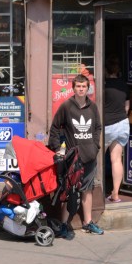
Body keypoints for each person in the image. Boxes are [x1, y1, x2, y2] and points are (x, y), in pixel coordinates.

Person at [48, 74, 104, 239]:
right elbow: (55, 128)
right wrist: (58, 149)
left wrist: (95, 147)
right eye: (78, 86)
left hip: (90, 156)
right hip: (72, 157)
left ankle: (88, 222)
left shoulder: (93, 107)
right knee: (67, 190)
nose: (81, 89)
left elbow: (98, 128)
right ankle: (64, 224)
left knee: (87, 189)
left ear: (88, 88)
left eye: (84, 87)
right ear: (73, 88)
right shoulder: (67, 106)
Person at [103, 55, 129, 203]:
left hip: (107, 125)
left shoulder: (104, 85)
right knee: (116, 159)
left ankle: (95, 192)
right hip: (122, 123)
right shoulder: (123, 84)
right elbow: (126, 107)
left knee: (98, 159)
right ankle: (115, 194)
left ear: (105, 70)